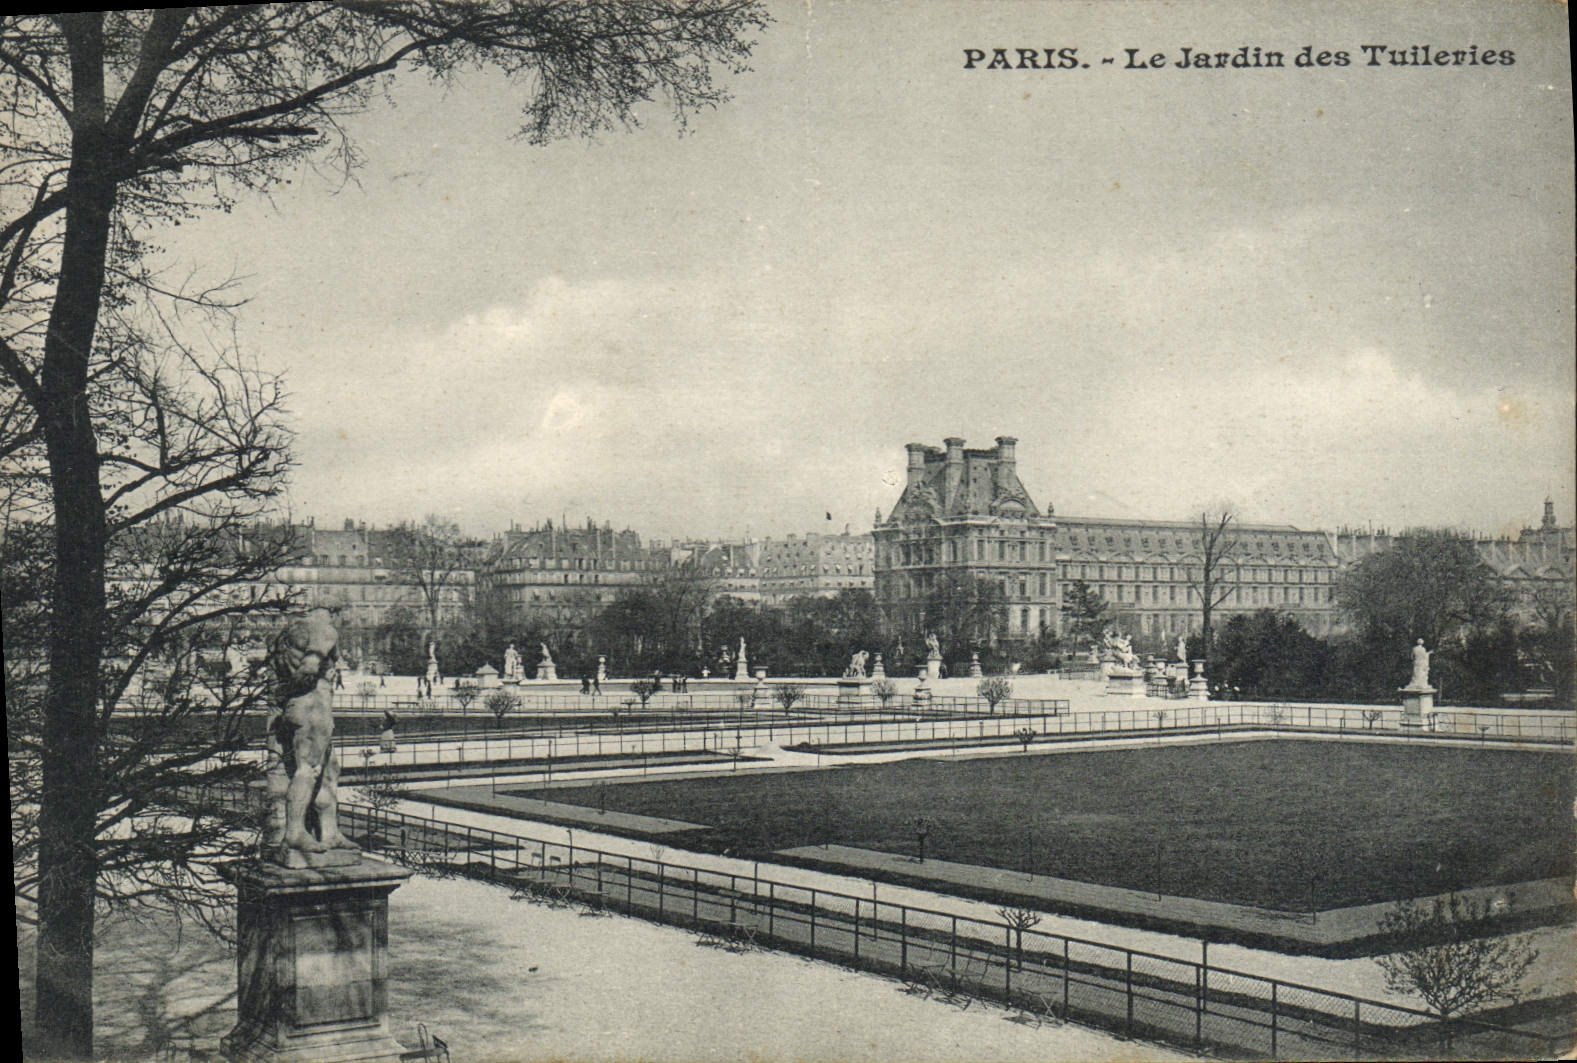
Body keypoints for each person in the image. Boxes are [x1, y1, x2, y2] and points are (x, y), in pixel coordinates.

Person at [267, 607, 355, 856]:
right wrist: (294, 692)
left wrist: (285, 698)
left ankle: (329, 831)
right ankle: (295, 832)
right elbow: (309, 668)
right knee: (309, 769)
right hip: (313, 705)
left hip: (297, 707)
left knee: (329, 770)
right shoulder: (323, 630)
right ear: (334, 612)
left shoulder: (287, 632)